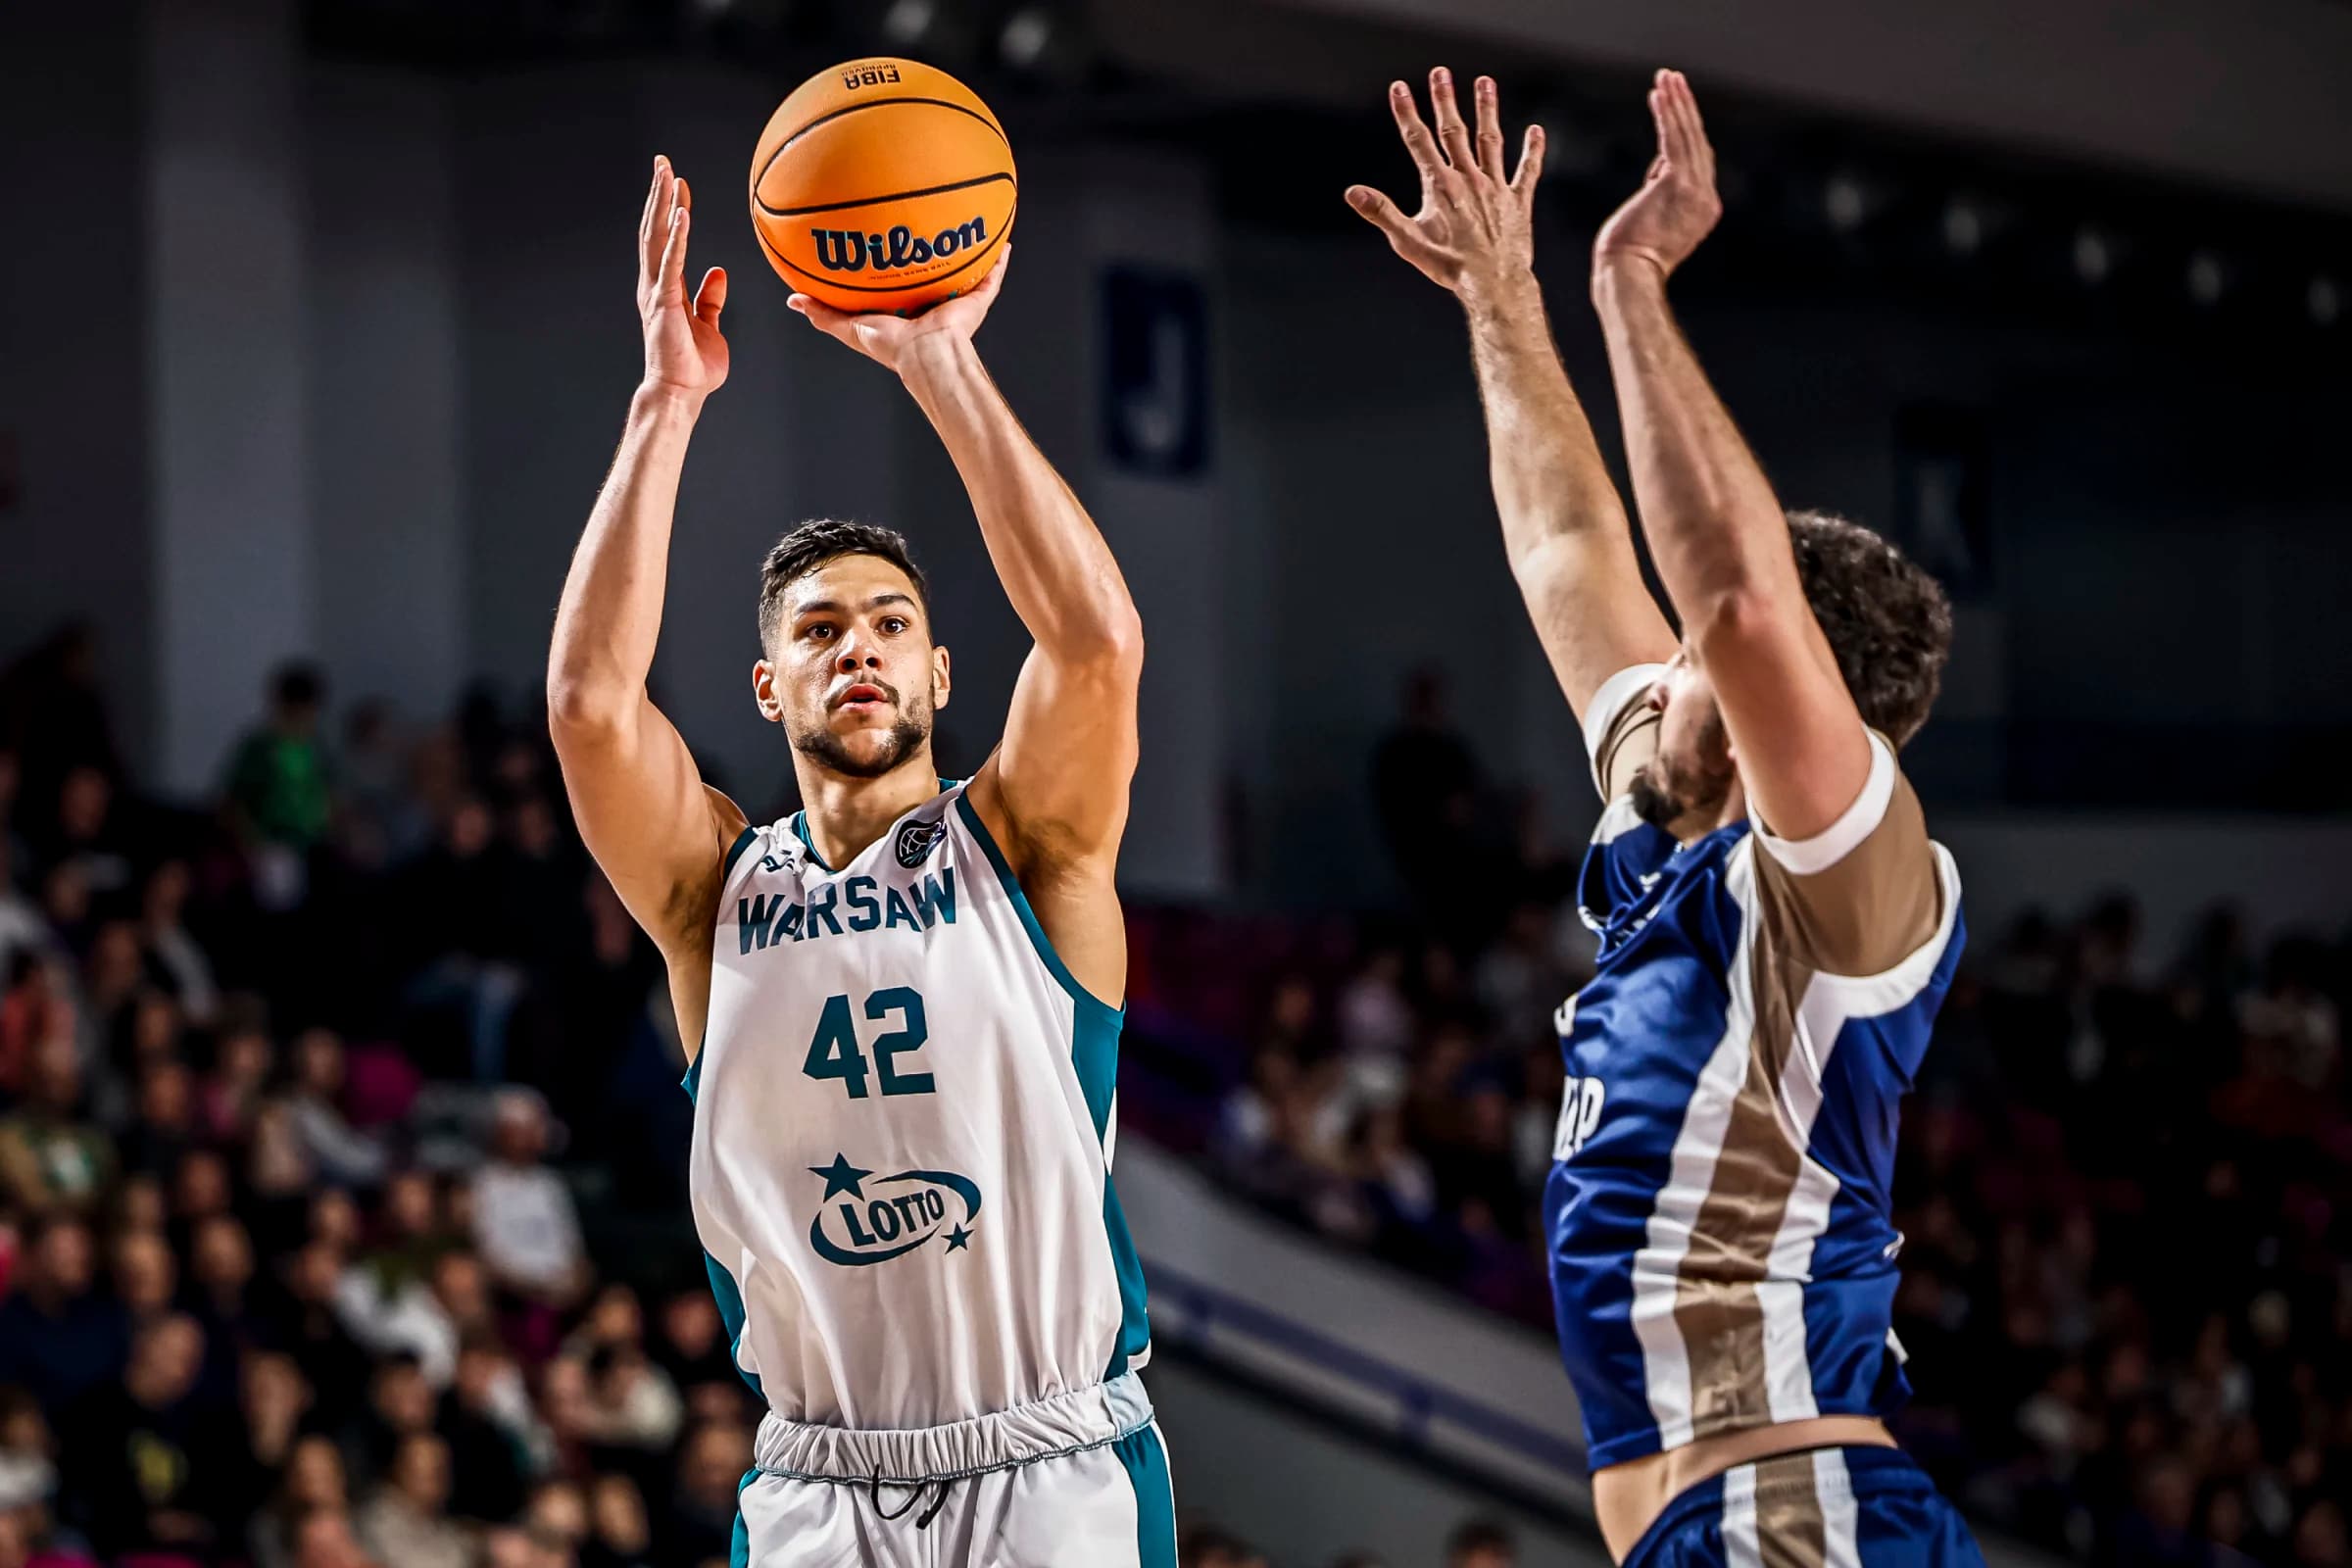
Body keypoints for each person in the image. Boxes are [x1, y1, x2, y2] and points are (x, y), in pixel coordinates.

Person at [1349, 69, 1978, 1564]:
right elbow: (1566, 543)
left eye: (1684, 648)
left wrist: (1626, 279)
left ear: (1771, 695)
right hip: (1708, 1517)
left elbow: (1743, 598)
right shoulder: (1661, 831)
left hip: (1799, 1518)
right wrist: (1500, 298)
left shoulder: (1853, 886)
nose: (1656, 666)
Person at [545, 159, 1167, 1566]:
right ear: (771, 688)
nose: (859, 650)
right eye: (819, 632)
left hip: (1051, 1463)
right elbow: (588, 708)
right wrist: (665, 405)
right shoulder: (715, 895)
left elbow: (1096, 646)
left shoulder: (1030, 846)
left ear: (940, 673)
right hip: (817, 1484)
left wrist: (941, 363)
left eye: (891, 625)